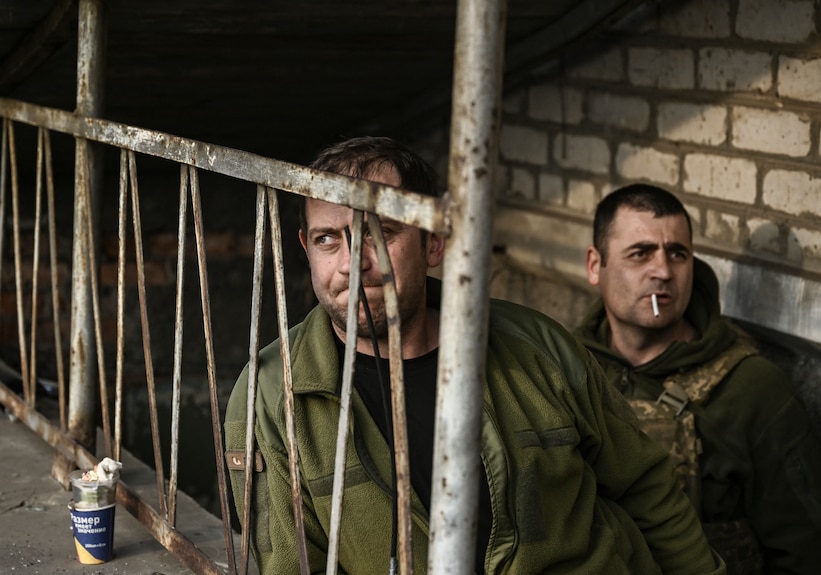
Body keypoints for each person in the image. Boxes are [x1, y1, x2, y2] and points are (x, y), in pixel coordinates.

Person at [223, 137, 724, 574]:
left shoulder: (537, 347)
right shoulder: (272, 391)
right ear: (305, 248)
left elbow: (645, 487)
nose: (354, 265)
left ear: (434, 243)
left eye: (383, 233)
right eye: (328, 239)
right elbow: (286, 562)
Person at [573, 183, 821, 574]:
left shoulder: (751, 389)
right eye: (640, 254)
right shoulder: (563, 368)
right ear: (595, 265)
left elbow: (812, 552)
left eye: (677, 253)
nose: (662, 271)